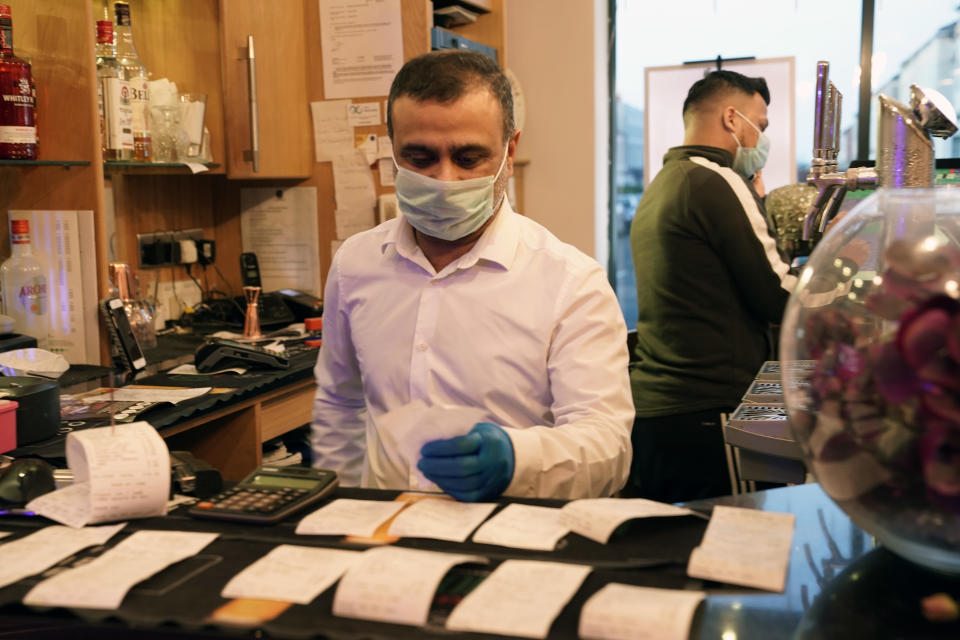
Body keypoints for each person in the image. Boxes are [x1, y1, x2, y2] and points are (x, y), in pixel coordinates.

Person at [311, 50, 633, 502]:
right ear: (392, 150)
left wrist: (517, 459)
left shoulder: (571, 283)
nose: (445, 179)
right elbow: (340, 405)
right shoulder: (355, 265)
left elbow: (608, 447)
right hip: (385, 533)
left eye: (468, 158)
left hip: (511, 537)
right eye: (419, 157)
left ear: (510, 150)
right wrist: (342, 508)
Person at [625, 70, 797, 503]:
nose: (762, 138)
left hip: (665, 412)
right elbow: (777, 294)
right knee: (738, 550)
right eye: (761, 124)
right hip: (711, 409)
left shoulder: (666, 184)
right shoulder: (714, 179)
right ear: (732, 119)